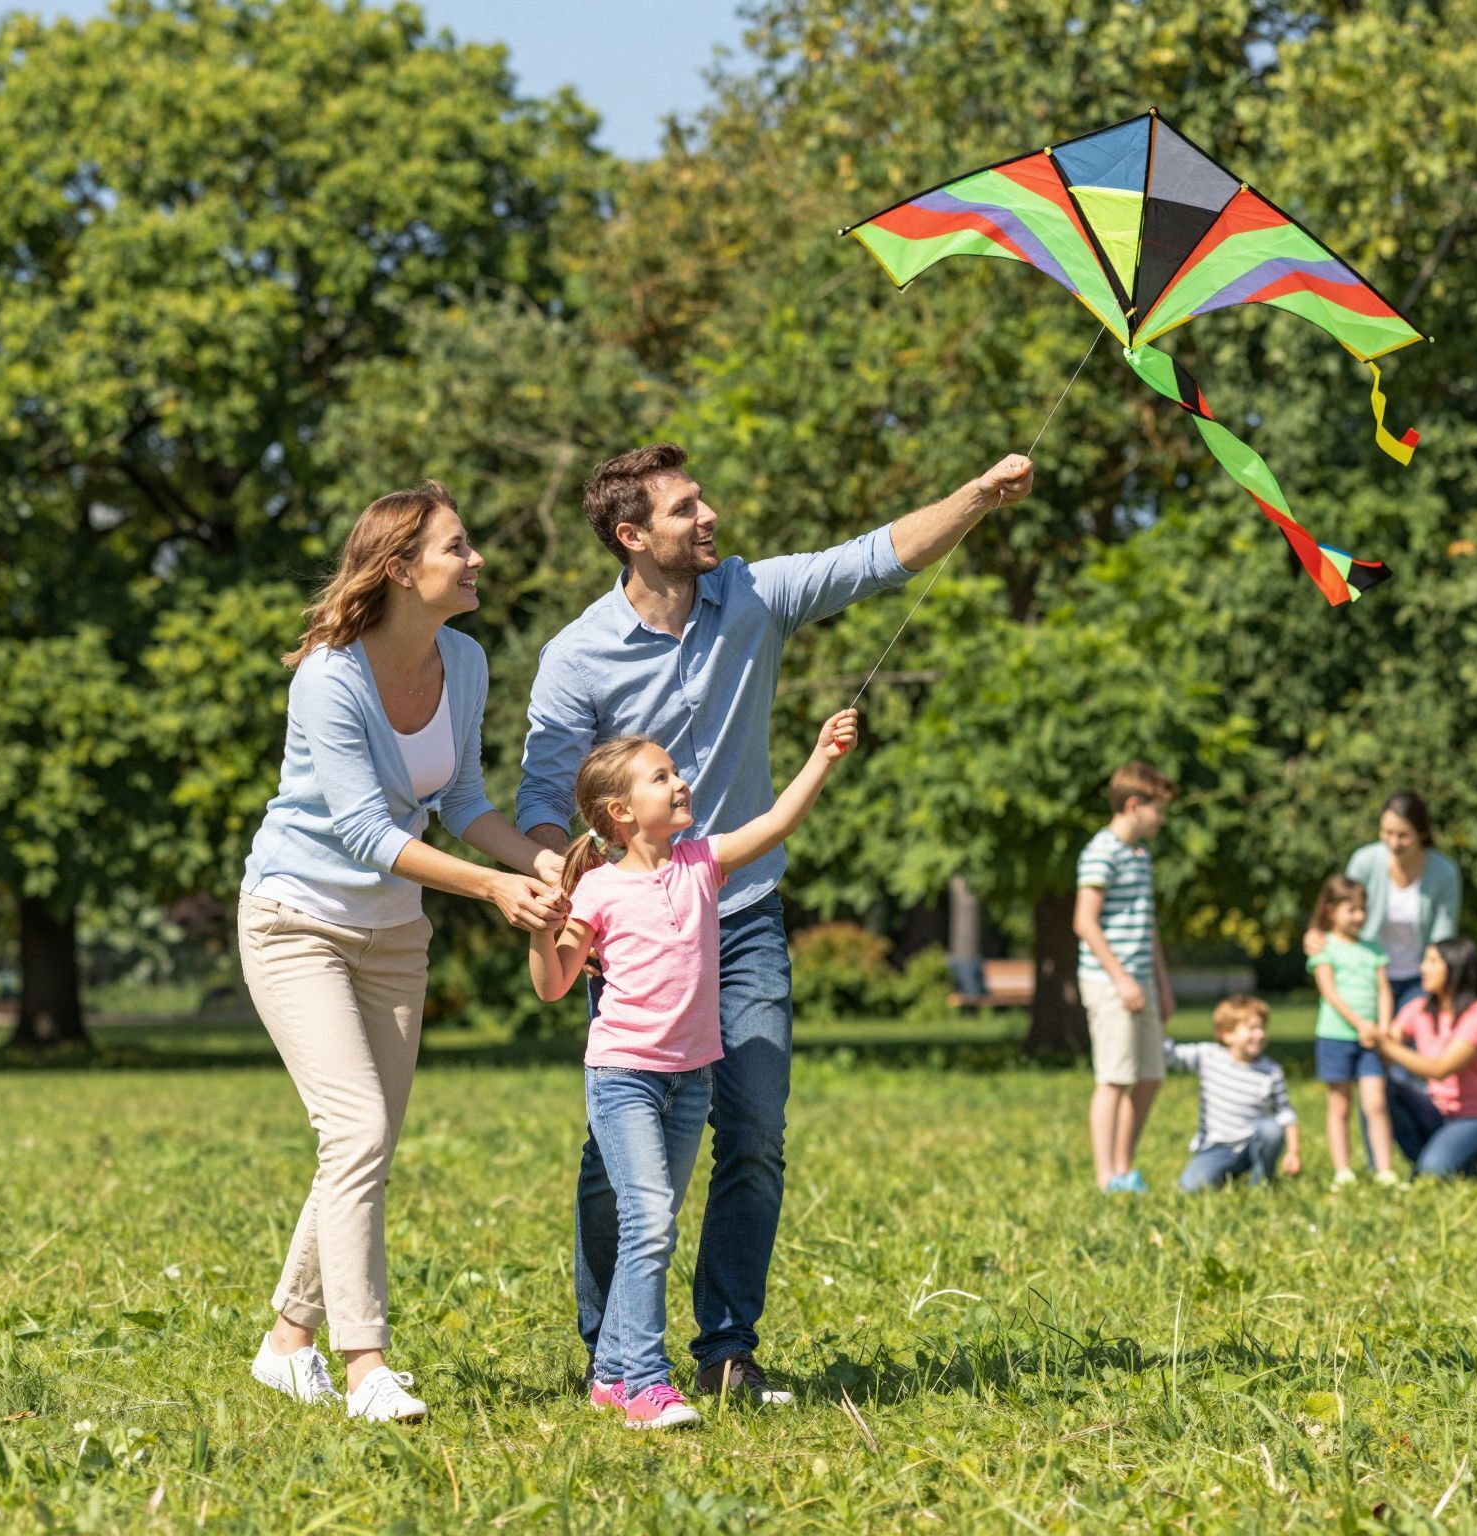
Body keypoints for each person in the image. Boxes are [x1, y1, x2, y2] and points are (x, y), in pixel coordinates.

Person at [517, 442, 1034, 1403]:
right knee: (618, 1156)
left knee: (753, 1130)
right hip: (635, 935)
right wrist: (565, 889)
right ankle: (612, 1353)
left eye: (702, 499)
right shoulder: (577, 656)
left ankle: (726, 1352)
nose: (708, 515)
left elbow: (875, 558)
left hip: (742, 915)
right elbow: (543, 799)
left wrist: (976, 495)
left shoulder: (753, 594)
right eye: (684, 508)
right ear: (632, 536)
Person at [238, 482, 567, 1422]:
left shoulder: (464, 660)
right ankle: (364, 1368)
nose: (475, 561)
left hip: (394, 935)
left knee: (366, 1145)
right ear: (397, 568)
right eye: (456, 548)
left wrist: (539, 862)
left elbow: (461, 801)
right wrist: (491, 889)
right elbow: (364, 833)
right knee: (355, 1133)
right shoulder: (329, 677)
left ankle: (286, 1343)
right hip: (296, 920)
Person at [529, 709, 859, 1430]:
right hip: (624, 1078)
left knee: (652, 1225)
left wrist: (822, 758)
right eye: (662, 776)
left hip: (690, 1081)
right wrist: (541, 931)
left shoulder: (702, 863)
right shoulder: (598, 891)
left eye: (676, 772)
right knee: (649, 1222)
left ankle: (612, 1374)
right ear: (621, 812)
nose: (680, 782)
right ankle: (647, 1384)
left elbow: (775, 824)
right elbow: (554, 986)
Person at [1071, 762, 1178, 1194]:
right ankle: (1106, 1177)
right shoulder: (1101, 851)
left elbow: (1148, 928)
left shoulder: (1139, 855)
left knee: (1149, 1076)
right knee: (1114, 1078)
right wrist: (1121, 979)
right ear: (1134, 805)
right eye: (1158, 810)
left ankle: (1124, 1167)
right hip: (1110, 981)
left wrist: (1161, 985)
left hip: (1142, 980)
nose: (1162, 819)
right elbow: (1085, 922)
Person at [1359, 938, 1477, 1179]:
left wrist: (1385, 1045)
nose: (1423, 969)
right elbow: (1390, 1038)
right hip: (1436, 1111)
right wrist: (1371, 1033)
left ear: (1455, 967)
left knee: (1434, 1171)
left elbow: (1440, 1069)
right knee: (1382, 1091)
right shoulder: (1419, 1008)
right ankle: (1424, 1162)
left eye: (1432, 962)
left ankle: (1468, 1166)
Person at [1308, 790, 1462, 1011]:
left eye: (1403, 835)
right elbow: (1341, 908)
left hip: (1418, 978)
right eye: (1387, 832)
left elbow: (1443, 937)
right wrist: (1316, 931)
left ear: (1422, 833)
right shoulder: (1364, 861)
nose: (1394, 843)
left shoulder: (1444, 872)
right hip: (1367, 972)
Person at [1306, 875, 1397, 1186]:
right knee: (1340, 1106)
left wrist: (1382, 1027)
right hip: (1336, 1036)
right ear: (1331, 911)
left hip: (1371, 1040)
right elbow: (1329, 992)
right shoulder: (1324, 947)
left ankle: (1384, 1169)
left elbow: (1383, 990)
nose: (1359, 916)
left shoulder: (1373, 949)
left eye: (1362, 910)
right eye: (1351, 910)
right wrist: (1360, 1024)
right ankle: (1342, 1170)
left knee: (1376, 1103)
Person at [1164, 995, 1301, 1192]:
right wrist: (1156, 1024)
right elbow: (1171, 1055)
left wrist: (1293, 1152)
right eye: (1252, 1028)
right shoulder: (1209, 1056)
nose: (1260, 1034)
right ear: (1227, 1035)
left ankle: (1260, 1182)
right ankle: (1225, 1174)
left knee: (1271, 1129)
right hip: (1216, 1148)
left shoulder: (1271, 1071)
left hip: (1251, 1145)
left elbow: (1285, 1114)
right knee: (1190, 1188)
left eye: (1262, 1027)